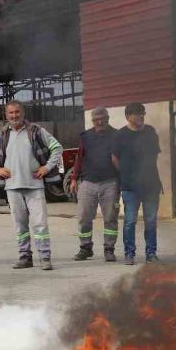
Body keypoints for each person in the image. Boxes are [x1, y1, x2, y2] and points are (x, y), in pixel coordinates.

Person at [0, 100, 63, 270]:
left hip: (35, 187)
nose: (14, 115)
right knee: (20, 226)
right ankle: (25, 257)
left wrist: (46, 168)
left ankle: (45, 257)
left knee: (40, 224)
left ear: (23, 112)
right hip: (12, 188)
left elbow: (57, 147)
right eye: (10, 113)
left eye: (17, 112)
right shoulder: (2, 135)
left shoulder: (36, 131)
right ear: (6, 115)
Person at [113, 102, 163, 265]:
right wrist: (127, 174)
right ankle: (129, 253)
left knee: (150, 221)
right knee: (130, 222)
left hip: (151, 186)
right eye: (137, 113)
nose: (141, 116)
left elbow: (154, 155)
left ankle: (151, 253)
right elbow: (115, 158)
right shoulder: (120, 135)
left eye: (142, 113)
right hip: (130, 187)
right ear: (128, 117)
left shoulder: (150, 132)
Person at [69, 107, 120, 262]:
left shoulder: (117, 135)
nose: (100, 121)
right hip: (88, 182)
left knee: (110, 218)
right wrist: (73, 178)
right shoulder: (86, 137)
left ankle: (109, 250)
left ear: (108, 118)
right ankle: (85, 248)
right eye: (96, 119)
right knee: (84, 218)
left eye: (103, 118)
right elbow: (79, 158)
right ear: (92, 121)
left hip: (110, 182)